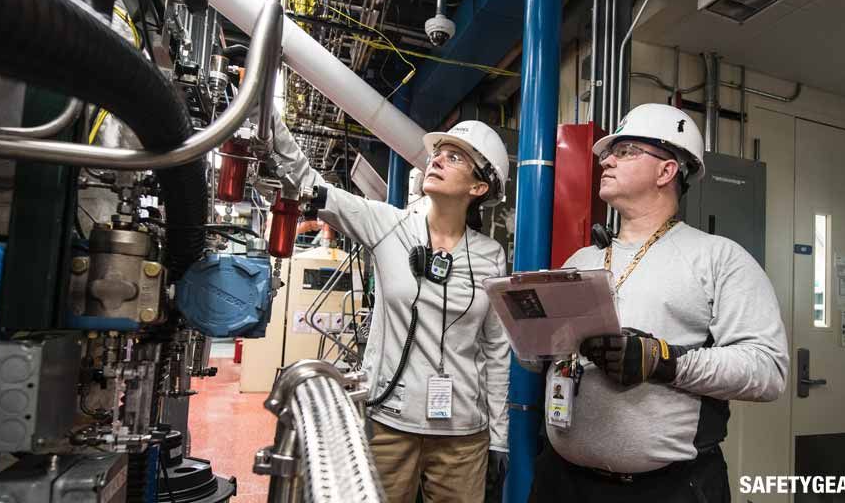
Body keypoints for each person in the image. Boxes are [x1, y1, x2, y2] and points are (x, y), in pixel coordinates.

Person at [528, 103, 789, 502]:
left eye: (626, 151)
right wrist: (534, 341)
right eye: (608, 153)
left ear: (667, 171)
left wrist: (663, 360)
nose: (607, 161)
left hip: (666, 490)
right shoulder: (582, 260)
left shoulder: (718, 258)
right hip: (560, 481)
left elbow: (767, 369)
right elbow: (541, 358)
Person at [270, 115, 512, 503]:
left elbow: (497, 351)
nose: (437, 160)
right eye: (438, 153)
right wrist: (262, 109)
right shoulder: (388, 225)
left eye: (455, 158)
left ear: (479, 186)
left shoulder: (490, 256)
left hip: (463, 437)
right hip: (389, 426)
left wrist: (500, 437)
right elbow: (307, 183)